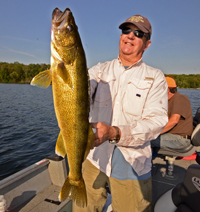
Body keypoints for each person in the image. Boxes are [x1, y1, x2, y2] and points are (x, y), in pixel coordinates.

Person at [74, 15, 168, 212]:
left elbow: (156, 122)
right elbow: (77, 94)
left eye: (138, 33)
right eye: (126, 31)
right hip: (94, 157)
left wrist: (114, 132)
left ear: (147, 44)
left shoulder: (156, 77)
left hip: (131, 161)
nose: (130, 36)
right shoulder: (98, 71)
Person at [151, 77, 193, 150]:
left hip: (180, 139)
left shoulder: (180, 98)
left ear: (166, 89)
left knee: (144, 141)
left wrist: (155, 133)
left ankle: (141, 161)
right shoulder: (168, 100)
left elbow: (174, 120)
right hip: (172, 135)